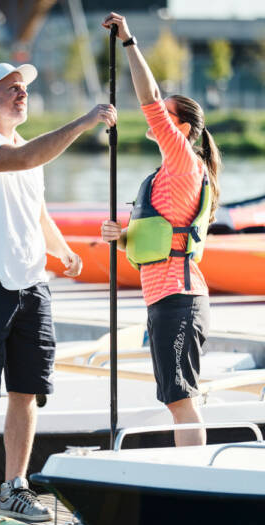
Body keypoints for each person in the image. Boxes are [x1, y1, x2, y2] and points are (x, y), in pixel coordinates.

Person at [0, 62, 117, 519]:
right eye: (12, 90)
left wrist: (62, 251)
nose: (22, 95)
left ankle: (14, 488)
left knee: (26, 391)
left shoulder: (28, 150)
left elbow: (37, 212)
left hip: (33, 286)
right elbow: (22, 160)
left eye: (24, 89)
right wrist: (84, 121)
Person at [100, 13, 222, 447]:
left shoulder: (184, 162)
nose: (155, 121)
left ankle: (194, 483)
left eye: (166, 119)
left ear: (181, 130)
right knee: (174, 397)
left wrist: (129, 42)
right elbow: (156, 235)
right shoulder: (164, 175)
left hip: (180, 300)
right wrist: (121, 234)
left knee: (180, 399)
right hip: (162, 299)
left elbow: (149, 97)